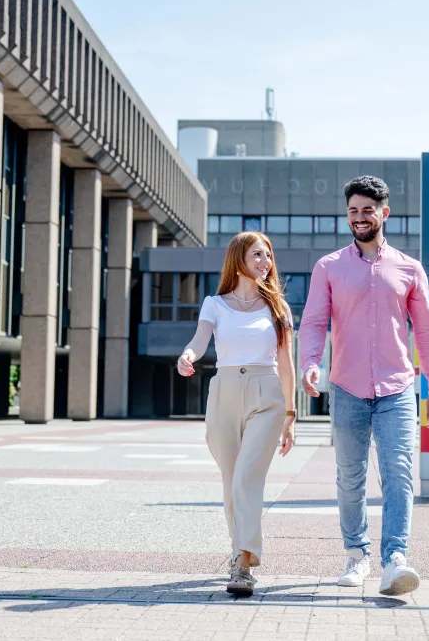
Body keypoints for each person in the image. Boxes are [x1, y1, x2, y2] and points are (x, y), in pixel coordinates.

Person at [299, 175, 429, 596]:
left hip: (398, 388)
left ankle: (395, 559)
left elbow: (427, 331)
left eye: (367, 210)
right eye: (353, 211)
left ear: (385, 213)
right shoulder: (328, 267)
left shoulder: (409, 268)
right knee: (350, 477)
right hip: (346, 387)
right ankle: (356, 554)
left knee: (399, 473)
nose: (359, 217)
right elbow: (313, 322)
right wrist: (311, 363)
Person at [177, 231, 297, 597]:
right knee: (232, 483)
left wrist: (290, 414)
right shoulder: (215, 304)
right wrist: (187, 356)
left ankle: (244, 563)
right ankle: (236, 553)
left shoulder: (278, 307)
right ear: (238, 260)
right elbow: (200, 340)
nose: (266, 262)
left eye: (268, 256)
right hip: (225, 392)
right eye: (257, 255)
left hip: (267, 394)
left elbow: (285, 363)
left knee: (246, 477)